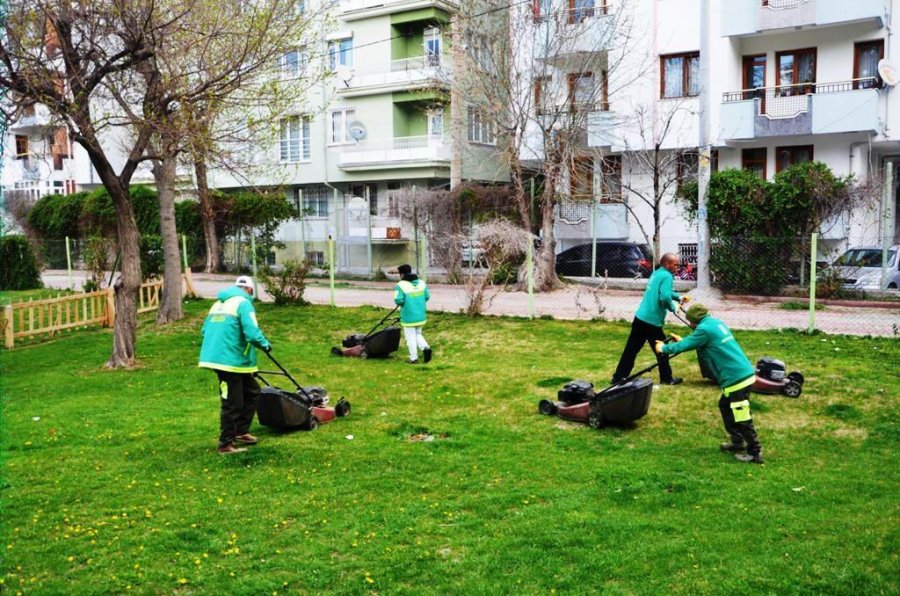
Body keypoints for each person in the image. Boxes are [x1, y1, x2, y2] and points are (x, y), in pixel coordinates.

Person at [655, 303, 764, 464]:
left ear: (695, 320)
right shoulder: (714, 323)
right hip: (742, 372)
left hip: (736, 378)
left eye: (690, 321)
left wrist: (663, 348)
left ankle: (755, 452)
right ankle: (737, 441)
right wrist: (687, 340)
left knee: (741, 415)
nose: (690, 324)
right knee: (725, 406)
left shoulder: (704, 330)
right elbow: (698, 341)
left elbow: (686, 345)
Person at [199, 275, 271, 455]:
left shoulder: (217, 304)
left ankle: (240, 431)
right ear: (250, 290)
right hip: (228, 360)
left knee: (253, 391)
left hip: (224, 358)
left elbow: (204, 330)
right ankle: (225, 445)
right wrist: (265, 344)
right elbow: (252, 333)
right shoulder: (243, 303)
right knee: (233, 402)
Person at [612, 252, 687, 385]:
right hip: (652, 322)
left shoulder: (656, 273)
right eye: (675, 265)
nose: (676, 267)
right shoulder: (667, 276)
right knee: (662, 349)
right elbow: (664, 297)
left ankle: (618, 378)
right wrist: (673, 307)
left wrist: (679, 297)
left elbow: (665, 292)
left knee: (631, 350)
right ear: (667, 264)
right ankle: (667, 378)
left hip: (640, 318)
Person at [394, 264, 431, 364]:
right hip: (420, 315)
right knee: (417, 334)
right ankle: (426, 348)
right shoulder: (422, 283)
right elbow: (427, 297)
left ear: (401, 274)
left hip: (408, 316)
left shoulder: (400, 285)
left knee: (410, 337)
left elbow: (398, 300)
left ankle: (413, 358)